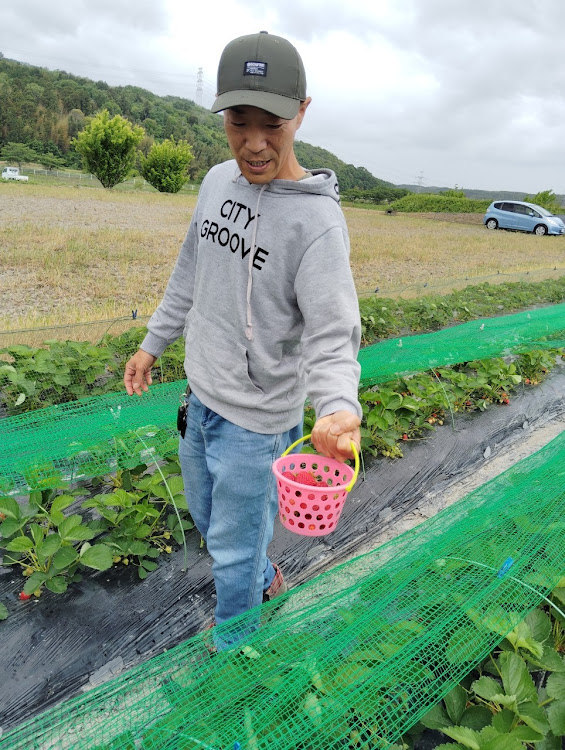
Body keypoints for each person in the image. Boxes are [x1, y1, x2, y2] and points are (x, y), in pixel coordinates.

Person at [124, 31, 362, 643]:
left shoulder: (315, 223)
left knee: (229, 550)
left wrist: (337, 408)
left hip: (257, 424)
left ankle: (234, 650)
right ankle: (262, 577)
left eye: (272, 124)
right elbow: (190, 268)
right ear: (224, 117)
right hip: (201, 401)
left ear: (301, 111)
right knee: (212, 525)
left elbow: (334, 334)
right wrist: (155, 342)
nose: (254, 143)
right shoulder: (215, 184)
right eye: (238, 122)